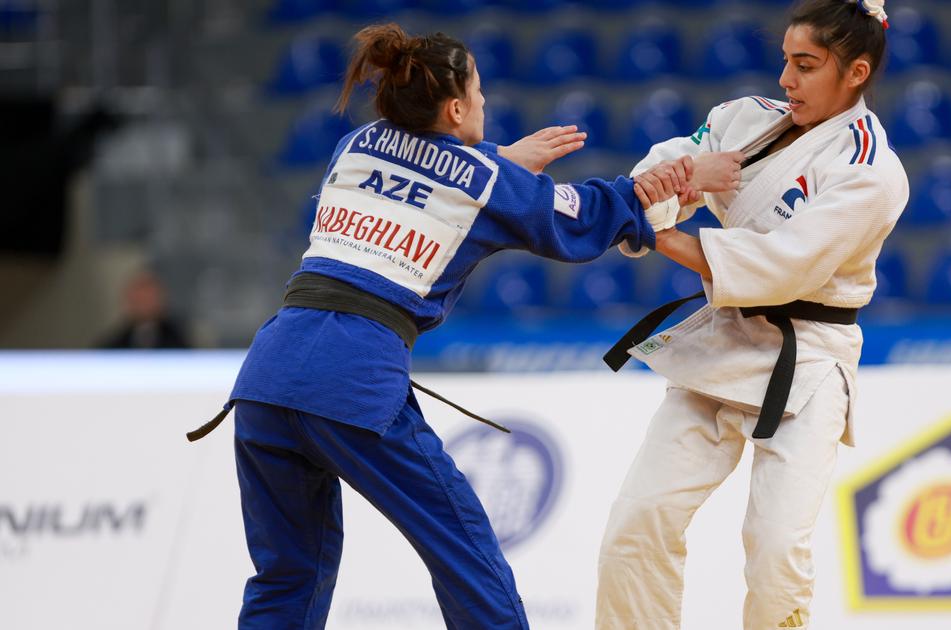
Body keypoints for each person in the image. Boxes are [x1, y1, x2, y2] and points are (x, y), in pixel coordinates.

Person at [194, 23, 707, 630]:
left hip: (267, 375)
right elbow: (582, 219)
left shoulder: (354, 146)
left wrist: (498, 160)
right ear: (458, 106)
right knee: (466, 557)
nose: (487, 104)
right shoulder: (492, 182)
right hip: (352, 378)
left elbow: (427, 174)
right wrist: (667, 182)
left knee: (288, 577)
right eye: (481, 93)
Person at [595, 1, 909, 628]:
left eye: (805, 65)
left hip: (810, 359)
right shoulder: (741, 121)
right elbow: (653, 176)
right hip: (726, 342)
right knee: (638, 520)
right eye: (785, 62)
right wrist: (669, 185)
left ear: (855, 72)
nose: (786, 80)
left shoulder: (870, 171)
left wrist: (655, 228)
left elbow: (778, 267)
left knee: (775, 551)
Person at [98, 269, 192, 349]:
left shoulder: (177, 339)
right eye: (139, 299)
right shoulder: (116, 341)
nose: (144, 305)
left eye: (148, 298)